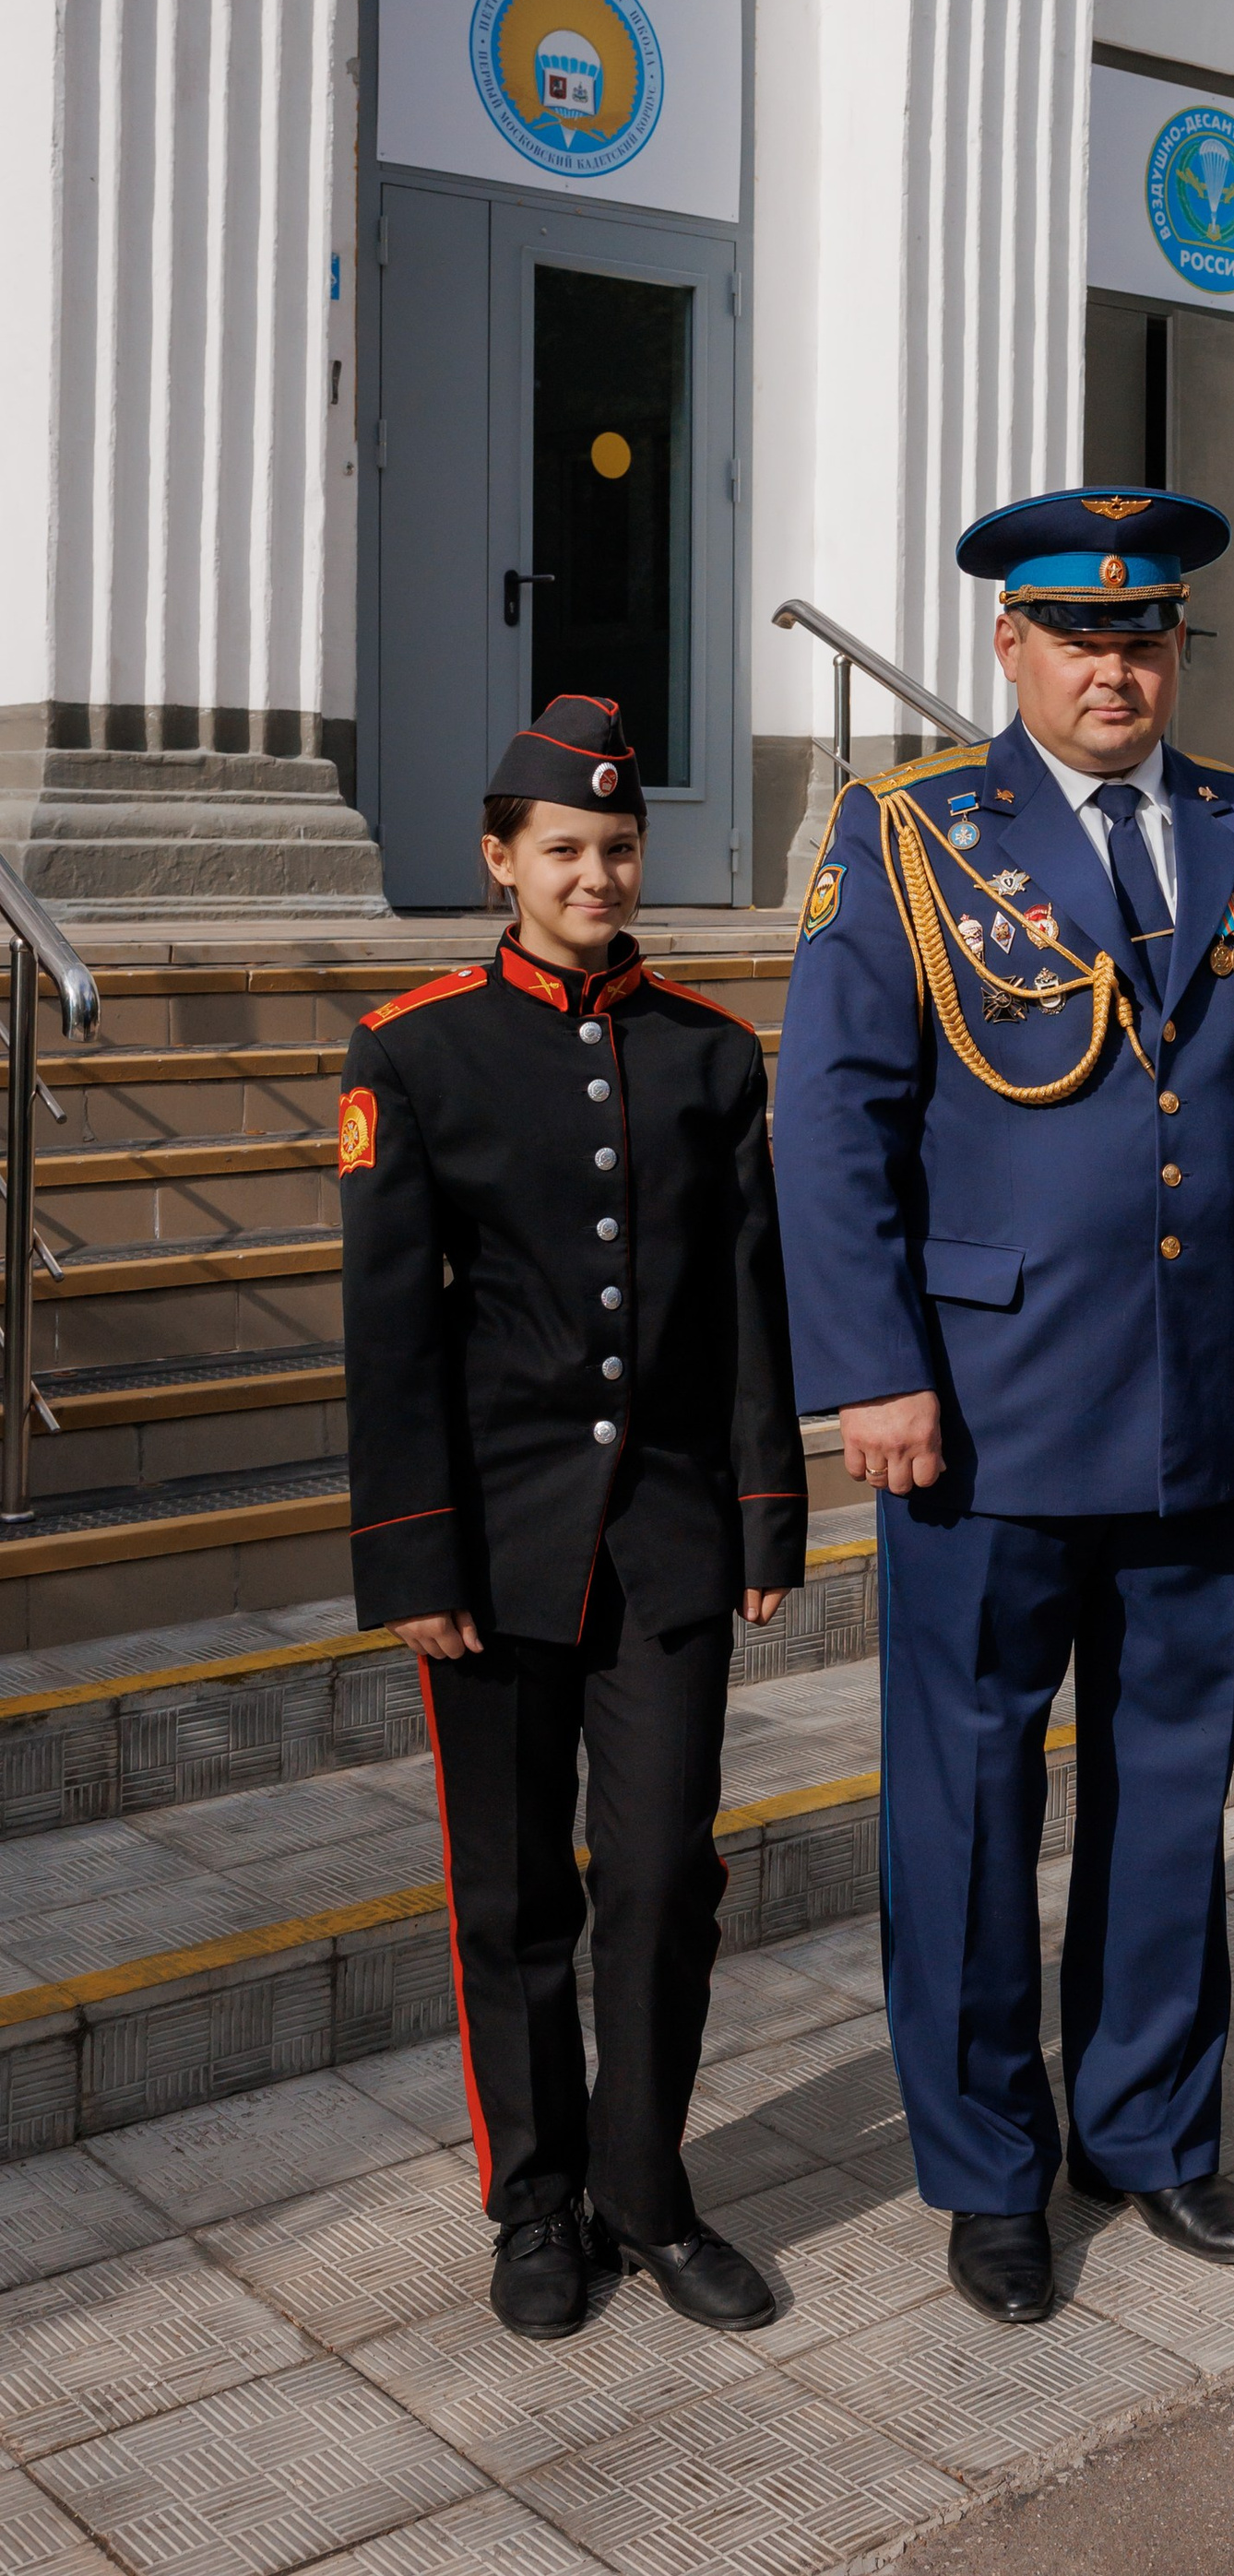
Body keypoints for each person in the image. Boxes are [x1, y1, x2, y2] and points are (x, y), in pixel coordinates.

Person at [772, 488, 1234, 2326]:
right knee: (968, 1806)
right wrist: (872, 1365)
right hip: (978, 1416)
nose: (1112, 667)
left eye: (1142, 635)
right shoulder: (909, 835)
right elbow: (831, 1120)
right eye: (1076, 636)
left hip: (1196, 1401)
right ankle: (988, 2170)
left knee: (1170, 1787)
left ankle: (1147, 2131)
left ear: (1176, 648)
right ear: (1010, 646)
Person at [339, 695, 806, 2344]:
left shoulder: (708, 1050)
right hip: (493, 1544)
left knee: (666, 1875)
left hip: (666, 1533)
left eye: (618, 847)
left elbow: (748, 1301)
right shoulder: (414, 1048)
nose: (596, 874)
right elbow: (391, 1328)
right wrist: (413, 1548)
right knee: (516, 1891)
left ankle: (645, 2189)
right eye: (563, 850)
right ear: (500, 860)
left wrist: (765, 1512)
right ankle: (536, 2200)